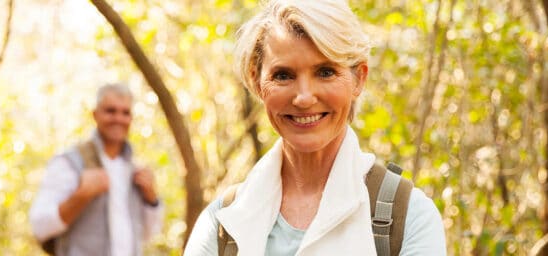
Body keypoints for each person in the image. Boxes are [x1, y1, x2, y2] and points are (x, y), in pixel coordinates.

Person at [183, 1, 446, 255]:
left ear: (359, 78)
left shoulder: (409, 217)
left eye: (325, 72)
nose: (304, 98)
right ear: (256, 81)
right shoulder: (221, 224)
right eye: (283, 75)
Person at [29, 84, 163, 256]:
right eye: (110, 111)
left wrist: (151, 199)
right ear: (95, 114)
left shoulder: (135, 171)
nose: (118, 119)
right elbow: (40, 227)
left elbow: (148, 235)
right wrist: (81, 196)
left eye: (125, 113)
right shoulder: (70, 163)